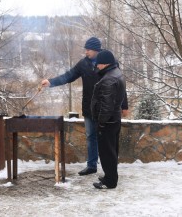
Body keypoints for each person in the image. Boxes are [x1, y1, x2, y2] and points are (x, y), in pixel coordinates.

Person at [41, 37, 129, 176]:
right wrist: (51, 82)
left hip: (107, 110)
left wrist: (124, 105)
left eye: (88, 49)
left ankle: (111, 170)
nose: (86, 52)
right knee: (91, 137)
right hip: (89, 108)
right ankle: (91, 166)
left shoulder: (109, 63)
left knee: (108, 140)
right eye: (86, 49)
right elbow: (68, 76)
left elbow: (120, 86)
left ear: (95, 50)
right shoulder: (83, 64)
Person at [91, 49, 126, 189]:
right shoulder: (116, 73)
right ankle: (110, 176)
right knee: (112, 150)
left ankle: (110, 181)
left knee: (107, 152)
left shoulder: (108, 80)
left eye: (98, 63)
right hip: (114, 119)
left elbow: (106, 106)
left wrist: (101, 123)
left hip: (108, 121)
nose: (97, 66)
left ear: (105, 64)